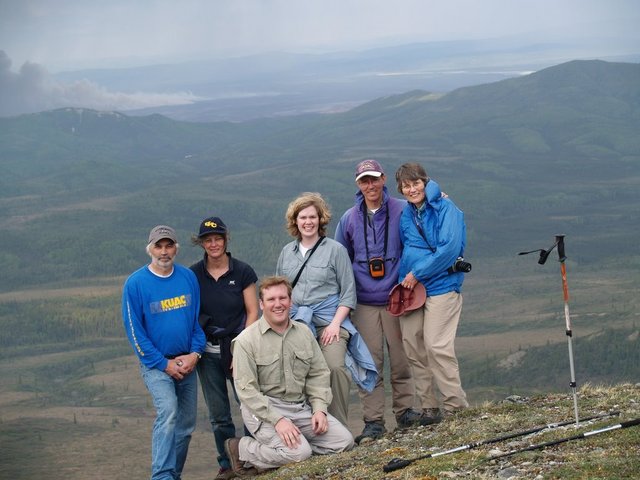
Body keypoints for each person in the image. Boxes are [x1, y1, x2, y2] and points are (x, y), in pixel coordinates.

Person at [224, 276, 354, 475]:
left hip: (299, 408)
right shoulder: (245, 341)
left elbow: (318, 374)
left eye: (282, 298)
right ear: (261, 304)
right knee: (299, 454)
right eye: (271, 300)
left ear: (290, 301)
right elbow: (246, 391)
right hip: (262, 410)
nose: (278, 304)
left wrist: (319, 409)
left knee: (344, 442)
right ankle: (241, 448)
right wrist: (278, 420)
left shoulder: (304, 333)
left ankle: (289, 447)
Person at [335, 159, 425, 444]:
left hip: (397, 298)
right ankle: (374, 422)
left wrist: (439, 196)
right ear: (358, 184)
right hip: (363, 303)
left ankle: (405, 411)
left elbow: (425, 218)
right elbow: (341, 261)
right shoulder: (348, 218)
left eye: (374, 179)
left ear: (384, 179)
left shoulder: (402, 209)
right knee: (369, 364)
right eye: (364, 181)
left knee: (401, 359)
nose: (370, 185)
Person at [275, 192, 376, 427]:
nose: (308, 222)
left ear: (321, 220)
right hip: (297, 322)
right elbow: (280, 294)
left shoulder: (335, 250)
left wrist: (334, 325)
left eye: (313, 217)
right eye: (303, 217)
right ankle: (305, 425)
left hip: (331, 321)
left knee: (335, 368)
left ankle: (337, 425)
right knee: (296, 373)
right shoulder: (286, 253)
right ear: (295, 221)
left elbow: (348, 293)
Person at [122, 225, 206, 480]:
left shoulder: (187, 278)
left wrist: (195, 355)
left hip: (187, 361)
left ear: (175, 249)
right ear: (150, 249)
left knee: (186, 427)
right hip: (156, 365)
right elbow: (136, 334)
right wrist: (164, 364)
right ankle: (162, 476)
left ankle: (174, 474)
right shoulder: (135, 284)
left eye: (169, 245)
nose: (164, 251)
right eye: (159, 246)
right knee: (168, 412)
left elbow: (196, 323)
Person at [395, 163, 469, 420]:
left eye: (416, 183)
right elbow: (407, 247)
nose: (412, 189)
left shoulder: (448, 209)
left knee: (437, 345)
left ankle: (455, 406)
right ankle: (429, 406)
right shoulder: (407, 214)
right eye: (406, 185)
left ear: (425, 182)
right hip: (412, 290)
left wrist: (417, 274)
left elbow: (448, 250)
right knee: (413, 345)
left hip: (442, 286)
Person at [189, 216, 259, 480]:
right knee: (219, 414)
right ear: (202, 243)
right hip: (207, 353)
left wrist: (240, 346)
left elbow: (253, 311)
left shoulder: (242, 271)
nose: (214, 243)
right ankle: (227, 463)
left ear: (225, 239)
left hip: (239, 348)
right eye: (208, 240)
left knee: (249, 406)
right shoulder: (193, 274)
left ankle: (254, 457)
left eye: (218, 238)